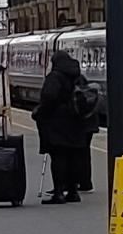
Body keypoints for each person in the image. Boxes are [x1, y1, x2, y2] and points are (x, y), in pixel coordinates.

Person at [36, 47, 98, 201]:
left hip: (58, 124)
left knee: (58, 158)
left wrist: (39, 113)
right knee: (73, 158)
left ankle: (58, 192)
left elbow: (48, 98)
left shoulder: (55, 77)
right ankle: (72, 192)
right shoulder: (79, 77)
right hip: (76, 123)